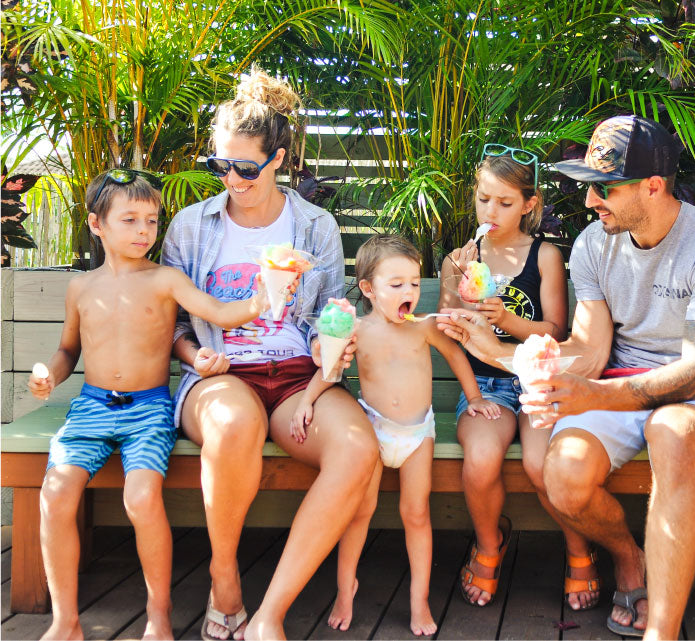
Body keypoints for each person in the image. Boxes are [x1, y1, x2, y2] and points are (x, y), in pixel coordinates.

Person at [437, 115, 695, 640]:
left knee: (668, 433)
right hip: (616, 381)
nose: (588, 202)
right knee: (561, 475)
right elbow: (588, 350)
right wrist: (498, 354)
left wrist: (592, 394)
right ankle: (630, 557)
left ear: (653, 186)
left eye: (603, 189)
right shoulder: (593, 244)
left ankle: (663, 631)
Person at [160, 67, 380, 641]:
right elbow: (171, 322)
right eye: (220, 165)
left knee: (358, 451)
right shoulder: (191, 226)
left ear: (278, 159)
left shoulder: (315, 226)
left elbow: (328, 315)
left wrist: (333, 344)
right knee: (231, 426)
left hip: (295, 378)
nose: (231, 178)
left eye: (246, 167)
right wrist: (192, 356)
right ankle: (225, 576)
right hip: (220, 371)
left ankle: (268, 616)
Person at [28, 169, 268, 641]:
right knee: (55, 495)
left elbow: (218, 311)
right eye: (130, 220)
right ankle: (66, 621)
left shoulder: (165, 280)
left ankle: (158, 613)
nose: (144, 231)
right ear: (97, 224)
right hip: (92, 406)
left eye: (152, 221)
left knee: (140, 498)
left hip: (148, 410)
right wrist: (49, 375)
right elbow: (68, 350)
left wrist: (263, 298)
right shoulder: (81, 287)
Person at [292, 235, 501, 636]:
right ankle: (344, 590)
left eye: (414, 282)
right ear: (369, 289)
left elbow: (456, 354)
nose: (409, 292)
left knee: (416, 514)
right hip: (372, 430)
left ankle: (418, 600)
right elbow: (331, 368)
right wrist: (306, 402)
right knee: (359, 513)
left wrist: (473, 397)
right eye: (397, 284)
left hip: (417, 434)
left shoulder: (422, 328)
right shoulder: (357, 329)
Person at [437, 145, 578, 608]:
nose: (490, 211)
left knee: (543, 465)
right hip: (484, 386)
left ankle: (580, 551)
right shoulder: (459, 260)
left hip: (535, 379)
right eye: (483, 199)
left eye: (505, 202)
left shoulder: (545, 257)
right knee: (480, 457)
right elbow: (446, 330)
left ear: (529, 204)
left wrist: (508, 321)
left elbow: (557, 332)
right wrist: (457, 300)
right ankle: (490, 546)